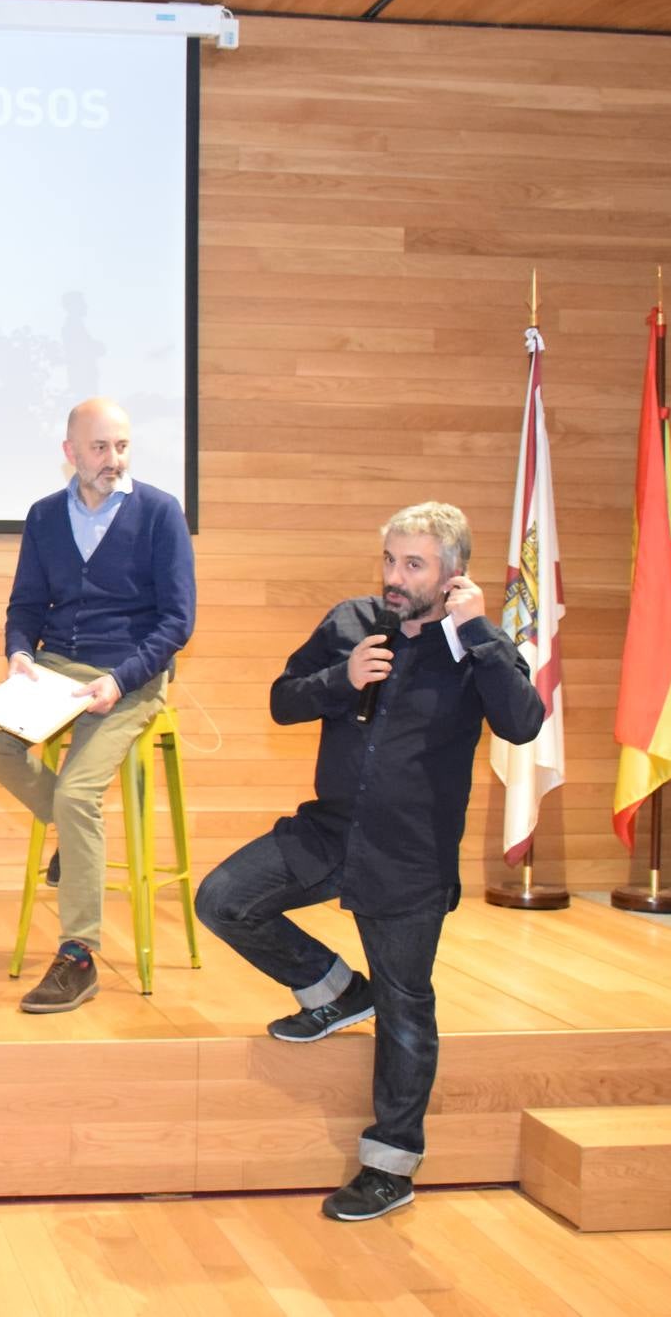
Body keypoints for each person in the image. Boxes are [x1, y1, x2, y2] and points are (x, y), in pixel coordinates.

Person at [194, 502, 545, 1222]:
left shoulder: (474, 644)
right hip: (327, 832)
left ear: (452, 574)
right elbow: (281, 702)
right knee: (221, 898)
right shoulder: (351, 622)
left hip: (408, 853)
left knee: (407, 1011)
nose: (393, 576)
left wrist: (477, 632)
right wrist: (340, 679)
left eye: (411, 564)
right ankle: (332, 989)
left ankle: (389, 1167)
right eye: (388, 559)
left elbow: (522, 722)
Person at [0, 398, 195, 1014]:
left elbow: (178, 622)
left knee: (75, 794)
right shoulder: (44, 516)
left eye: (121, 446)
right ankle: (73, 837)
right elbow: (24, 606)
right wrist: (19, 653)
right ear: (70, 452)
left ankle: (78, 956)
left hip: (132, 673)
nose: (113, 460)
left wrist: (121, 681)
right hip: (58, 668)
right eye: (99, 448)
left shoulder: (159, 513)